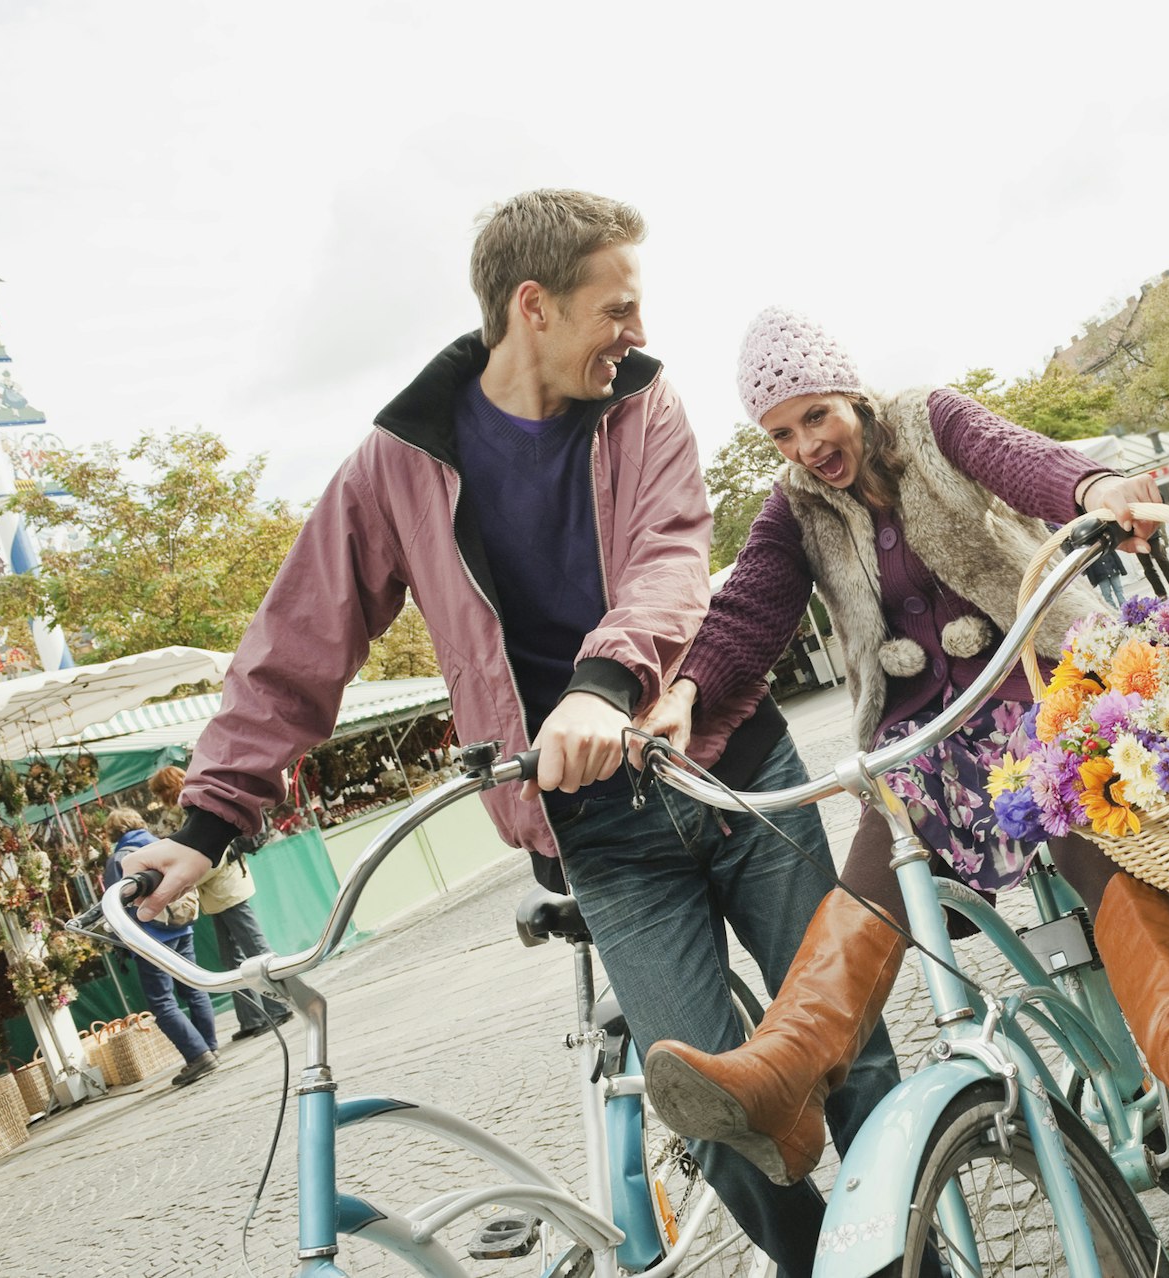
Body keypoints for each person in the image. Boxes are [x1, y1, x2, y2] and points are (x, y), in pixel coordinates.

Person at [114, 192, 898, 1276]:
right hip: (597, 837)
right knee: (712, 1110)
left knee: (849, 1053)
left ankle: (918, 1253)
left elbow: (669, 560)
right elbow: (300, 640)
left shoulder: (643, 401)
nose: (634, 329)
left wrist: (602, 685)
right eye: (614, 307)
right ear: (534, 305)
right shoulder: (396, 463)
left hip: (729, 768)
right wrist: (207, 823)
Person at [634, 309, 1169, 1184]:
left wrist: (1093, 492)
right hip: (923, 736)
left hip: (1035, 683)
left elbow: (1019, 458)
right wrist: (683, 693)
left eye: (816, 416)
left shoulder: (928, 421)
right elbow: (750, 605)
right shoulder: (795, 508)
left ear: (851, 394)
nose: (806, 446)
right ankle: (780, 1074)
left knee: (1083, 814)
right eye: (782, 434)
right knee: (881, 853)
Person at [149, 765, 291, 1041]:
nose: (161, 800)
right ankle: (254, 1017)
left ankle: (280, 1005)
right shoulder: (187, 809)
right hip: (218, 891)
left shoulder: (194, 808)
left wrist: (190, 876)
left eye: (161, 793)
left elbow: (212, 851)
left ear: (169, 789)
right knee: (234, 958)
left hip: (226, 888)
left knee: (254, 948)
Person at [102, 808, 218, 1086]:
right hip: (181, 925)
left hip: (152, 936)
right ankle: (210, 1046)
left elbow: (115, 899)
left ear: (112, 834)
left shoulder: (120, 857)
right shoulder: (161, 842)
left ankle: (198, 1055)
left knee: (162, 1001)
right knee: (194, 986)